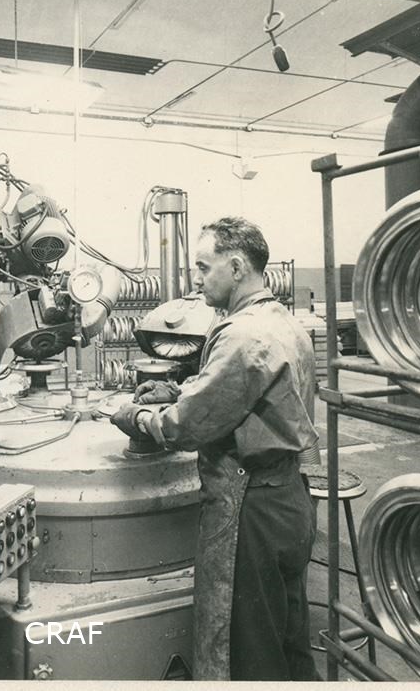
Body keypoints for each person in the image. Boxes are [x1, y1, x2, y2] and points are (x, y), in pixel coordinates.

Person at [112, 216, 321, 681]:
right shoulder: (286, 322)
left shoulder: (241, 334)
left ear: (238, 266)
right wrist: (180, 388)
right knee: (288, 639)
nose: (197, 279)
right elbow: (251, 392)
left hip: (250, 508)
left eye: (204, 268)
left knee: (245, 650)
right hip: (291, 498)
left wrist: (137, 417)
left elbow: (186, 428)